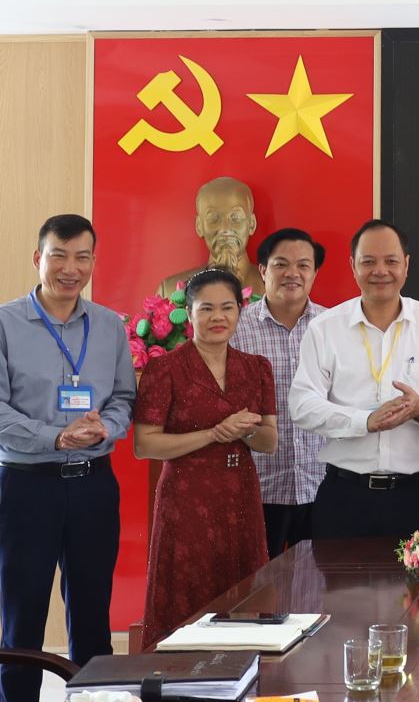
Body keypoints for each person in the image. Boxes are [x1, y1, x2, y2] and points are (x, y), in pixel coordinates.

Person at [0, 214, 136, 702]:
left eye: (82, 257)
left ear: (93, 262)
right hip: (26, 486)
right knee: (22, 621)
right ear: (38, 258)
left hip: (93, 486)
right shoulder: (1, 324)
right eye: (59, 255)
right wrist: (53, 437)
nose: (70, 268)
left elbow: (125, 397)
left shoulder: (109, 326)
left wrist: (107, 427)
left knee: (93, 618)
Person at [288, 219, 419, 538]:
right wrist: (364, 421)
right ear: (353, 266)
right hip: (346, 495)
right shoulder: (326, 328)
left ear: (406, 265)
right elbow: (302, 404)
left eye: (391, 261)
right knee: (335, 573)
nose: (380, 271)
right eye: (369, 261)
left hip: (416, 494)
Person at [133, 269, 277, 649]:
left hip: (240, 496)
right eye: (207, 308)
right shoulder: (165, 368)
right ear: (189, 312)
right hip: (185, 499)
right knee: (184, 597)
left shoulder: (257, 367)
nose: (218, 317)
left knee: (243, 597)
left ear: (240, 311)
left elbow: (269, 441)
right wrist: (214, 433)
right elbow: (145, 445)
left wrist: (244, 431)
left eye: (227, 308)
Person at [232, 227, 328, 559]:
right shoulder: (235, 328)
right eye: (281, 264)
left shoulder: (332, 327)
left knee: (320, 584)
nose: (292, 273)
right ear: (262, 270)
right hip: (258, 488)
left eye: (303, 265)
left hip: (321, 485)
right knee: (257, 585)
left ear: (315, 272)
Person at [156, 176, 265, 298]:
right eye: (213, 219)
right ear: (199, 226)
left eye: (236, 218)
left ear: (252, 224)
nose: (225, 228)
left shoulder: (272, 288)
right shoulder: (170, 292)